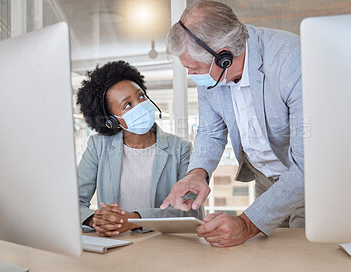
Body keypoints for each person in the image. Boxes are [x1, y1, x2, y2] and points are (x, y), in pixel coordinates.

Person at [161, 0, 304, 247]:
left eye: (194, 68)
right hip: (264, 180)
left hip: (304, 180)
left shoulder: (292, 60)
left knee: (303, 252)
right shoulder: (209, 76)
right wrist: (197, 173)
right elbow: (210, 131)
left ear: (224, 56)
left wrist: (247, 223)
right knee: (267, 253)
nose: (192, 76)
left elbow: (307, 166)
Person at [77, 61, 202, 237]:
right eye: (127, 105)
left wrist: (134, 220)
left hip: (162, 245)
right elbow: (73, 203)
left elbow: (189, 212)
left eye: (141, 96)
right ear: (111, 120)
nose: (141, 105)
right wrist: (93, 219)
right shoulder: (98, 146)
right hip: (113, 243)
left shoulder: (181, 149)